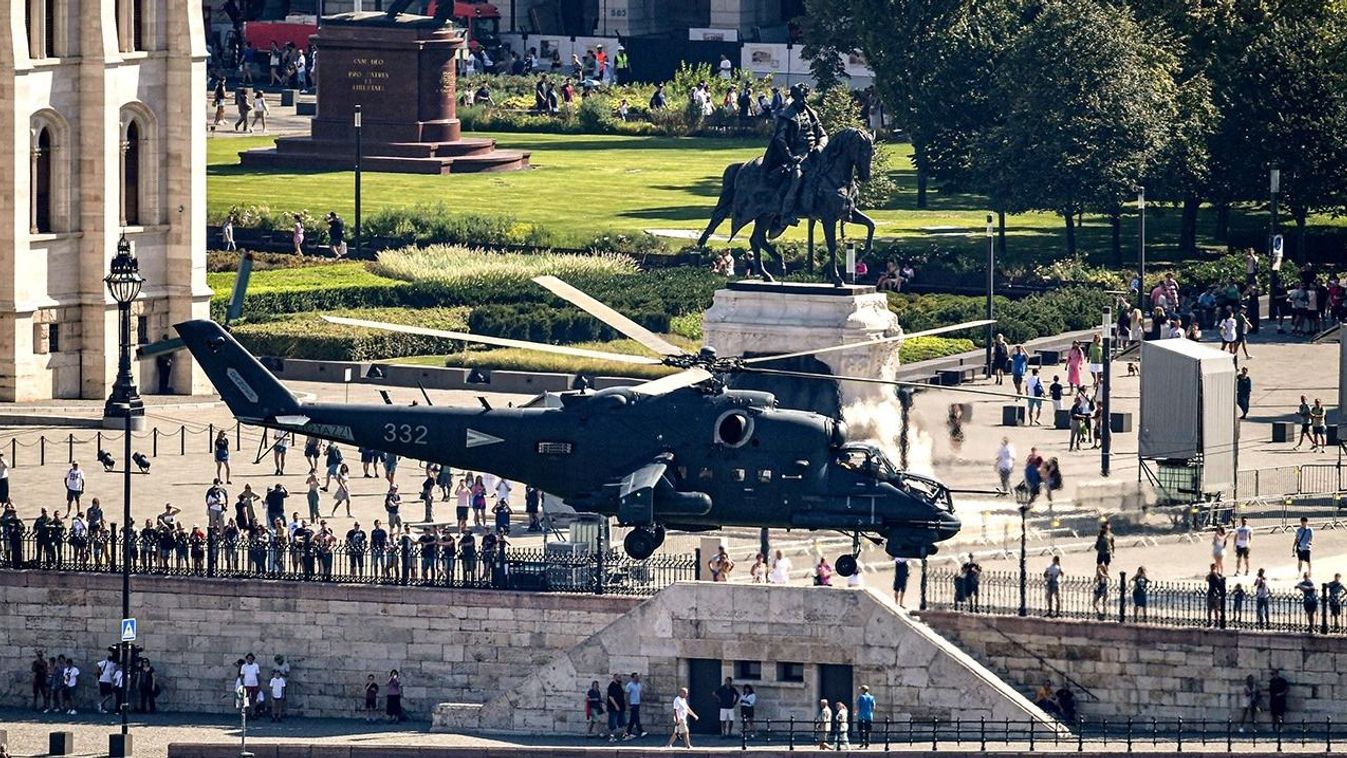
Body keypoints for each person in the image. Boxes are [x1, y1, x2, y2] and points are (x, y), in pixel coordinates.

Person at [605, 672, 627, 742]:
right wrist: (616, 705)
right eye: (618, 677)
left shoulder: (619, 685)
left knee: (622, 721)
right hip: (613, 708)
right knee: (612, 722)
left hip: (621, 707)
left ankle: (625, 735)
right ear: (614, 678)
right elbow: (610, 697)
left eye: (620, 677)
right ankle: (612, 737)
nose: (620, 679)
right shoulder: (611, 686)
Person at [625, 672, 646, 739]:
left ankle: (628, 732)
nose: (637, 678)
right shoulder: (629, 685)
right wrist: (628, 704)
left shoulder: (639, 685)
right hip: (632, 703)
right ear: (632, 678)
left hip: (637, 703)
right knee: (636, 718)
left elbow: (640, 694)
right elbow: (627, 695)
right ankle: (641, 731)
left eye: (638, 677)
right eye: (636, 677)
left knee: (632, 719)